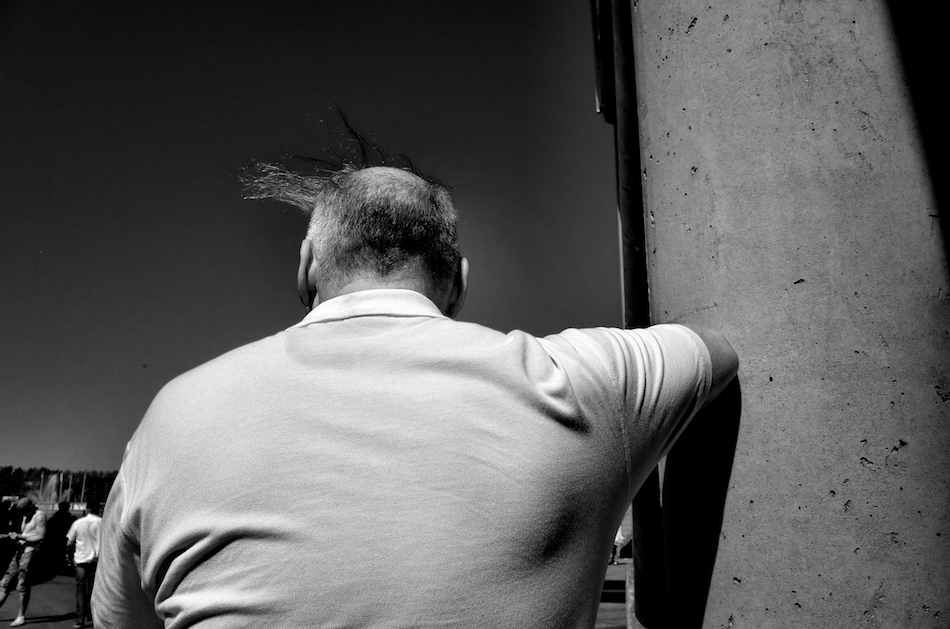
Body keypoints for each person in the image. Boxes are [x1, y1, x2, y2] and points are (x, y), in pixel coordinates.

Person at [93, 135, 738, 628]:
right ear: (459, 280)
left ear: (307, 265)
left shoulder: (174, 416)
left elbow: (121, 620)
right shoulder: (578, 382)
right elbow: (717, 350)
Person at [0, 498, 47, 627]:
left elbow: (41, 536)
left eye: (24, 511)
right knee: (4, 582)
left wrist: (20, 536)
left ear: (30, 507)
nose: (22, 514)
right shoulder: (27, 515)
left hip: (29, 552)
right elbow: (27, 533)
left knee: (22, 584)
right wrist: (13, 536)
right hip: (21, 550)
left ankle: (21, 616)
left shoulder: (39, 516)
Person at [66, 499, 101, 628]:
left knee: (80, 589)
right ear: (98, 510)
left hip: (81, 559)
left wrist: (68, 556)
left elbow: (69, 543)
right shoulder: (103, 522)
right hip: (97, 560)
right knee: (93, 589)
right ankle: (92, 614)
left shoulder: (78, 523)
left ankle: (79, 619)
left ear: (87, 510)